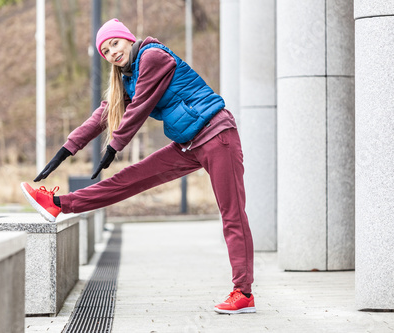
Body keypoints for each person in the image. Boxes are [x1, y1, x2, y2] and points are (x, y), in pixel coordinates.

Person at [21, 18, 255, 314]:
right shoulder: (126, 78)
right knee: (129, 179)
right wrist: (67, 149)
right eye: (106, 50)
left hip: (216, 134)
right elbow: (103, 115)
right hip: (187, 145)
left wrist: (114, 146)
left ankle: (243, 292)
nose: (113, 52)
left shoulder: (153, 57)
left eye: (115, 43)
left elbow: (141, 106)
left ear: (128, 39)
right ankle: (58, 204)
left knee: (231, 214)